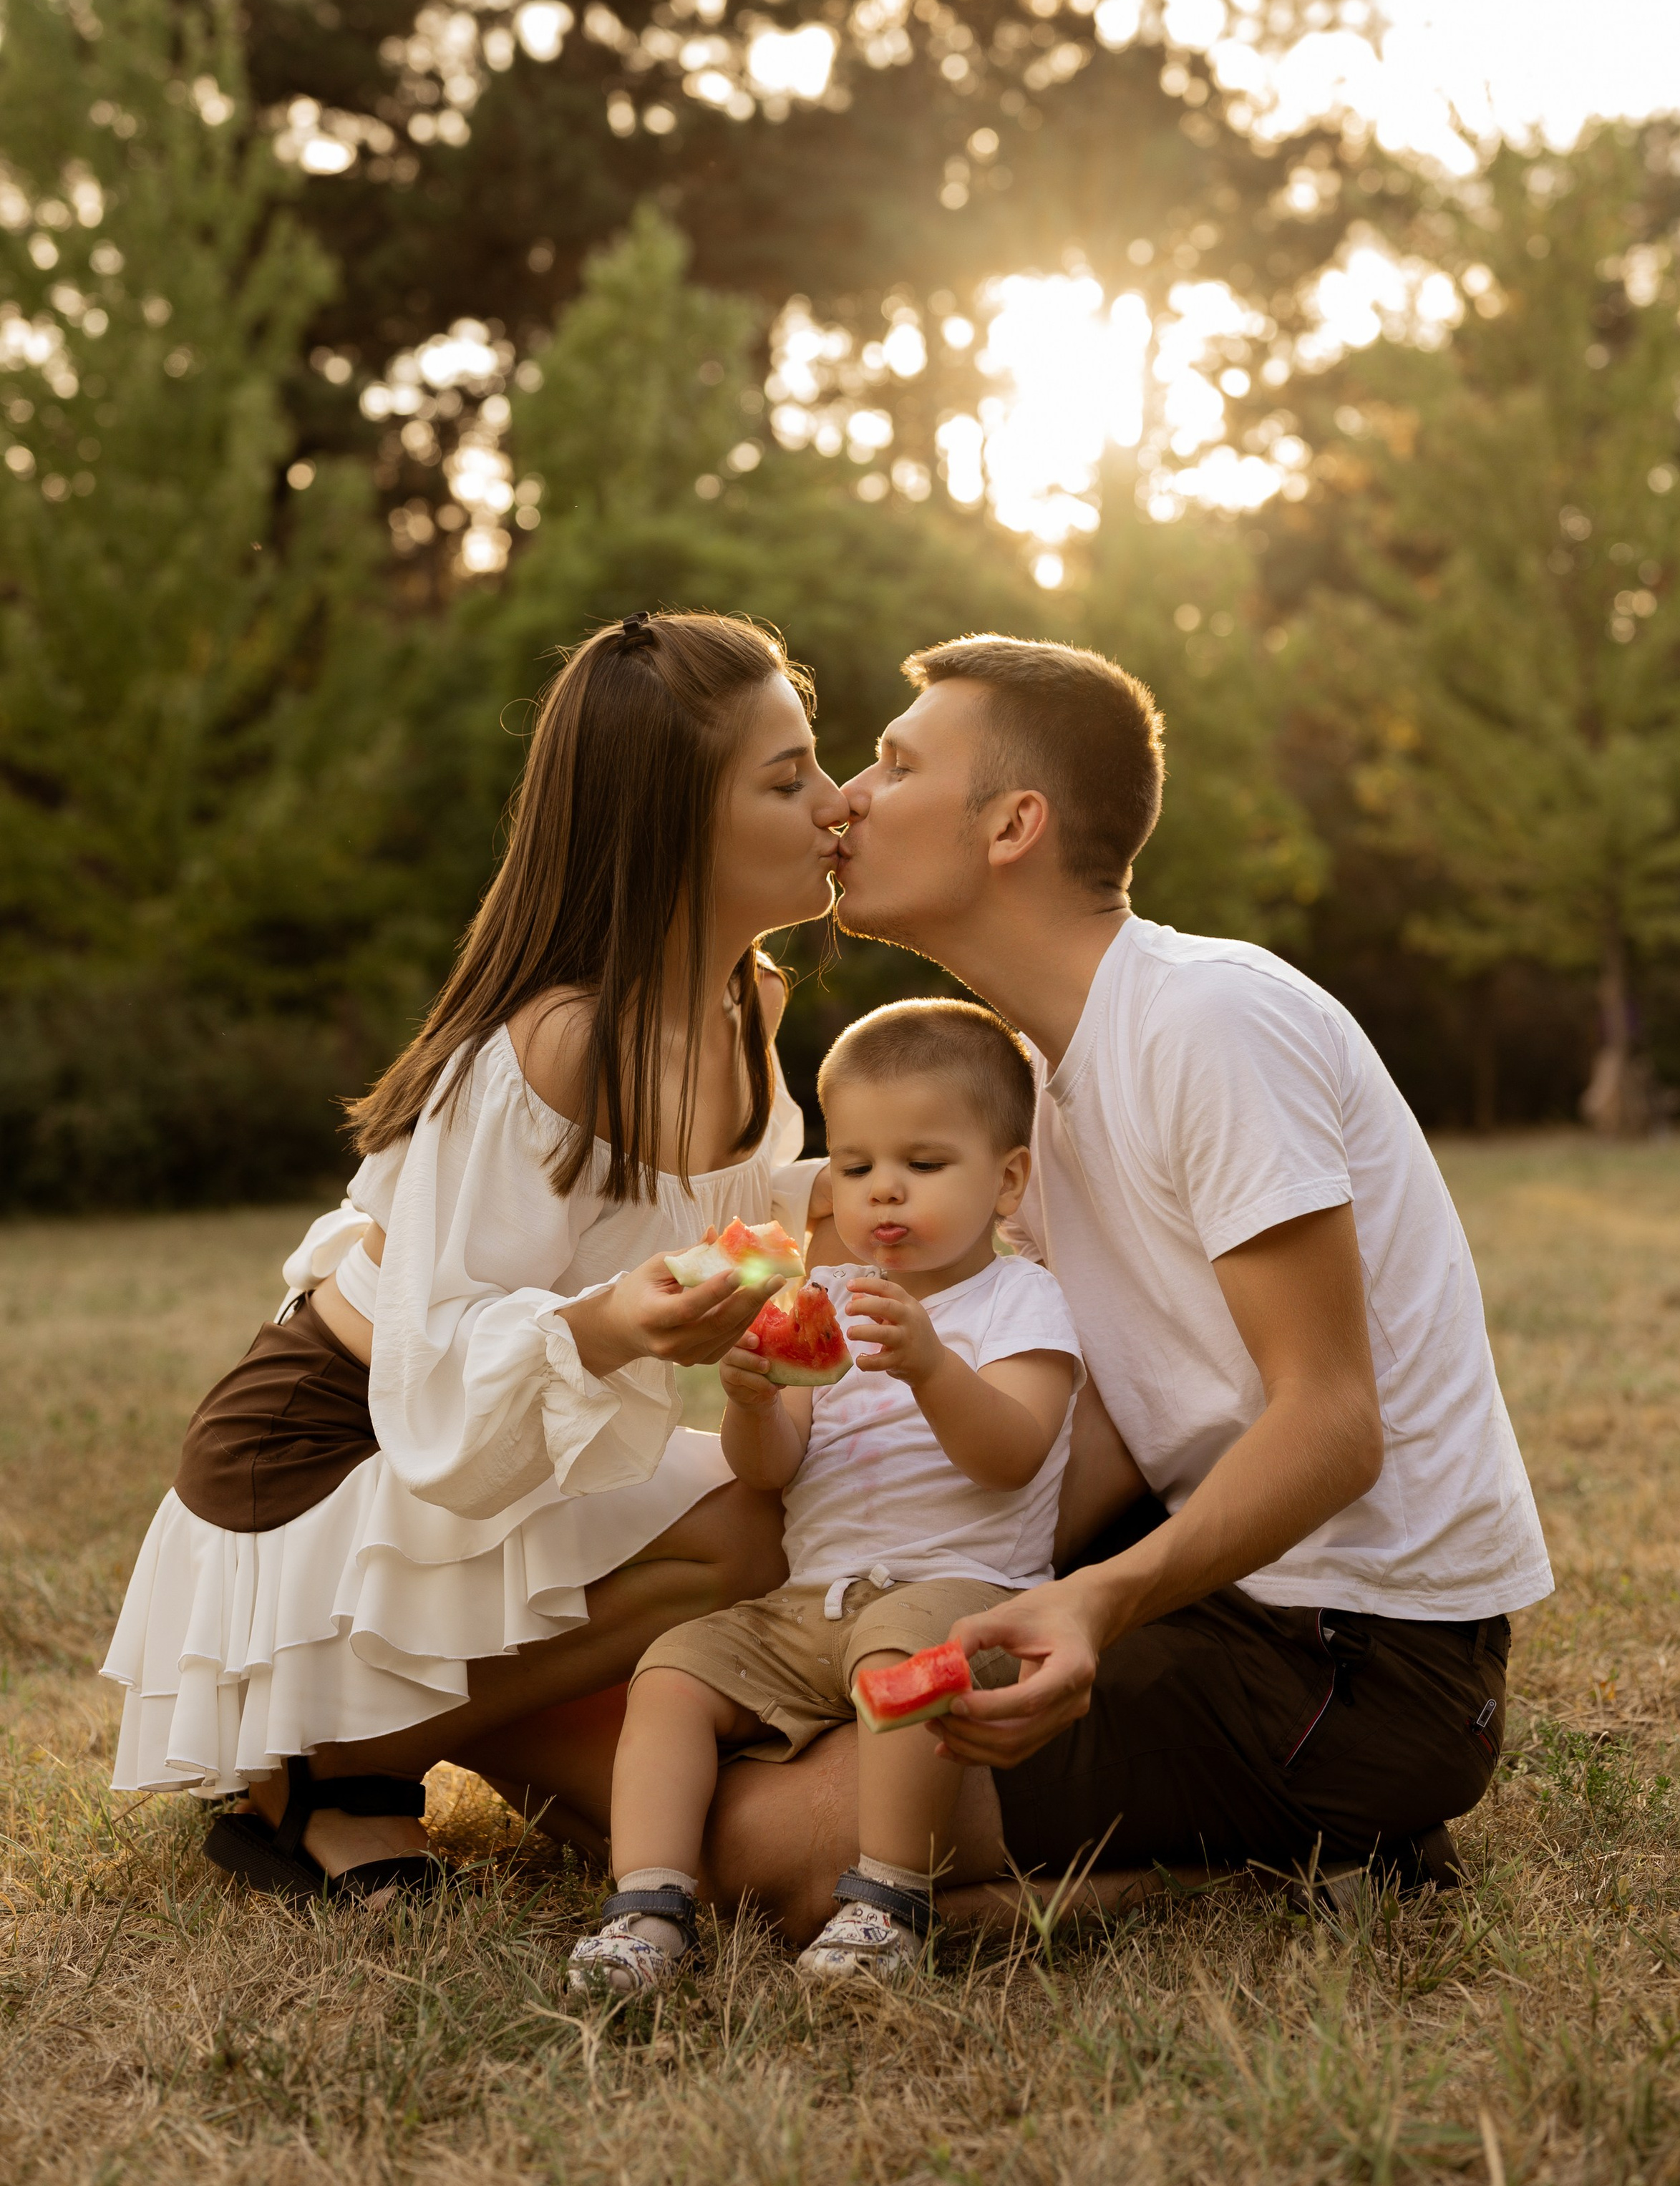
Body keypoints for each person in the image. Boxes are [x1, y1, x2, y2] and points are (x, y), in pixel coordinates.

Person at [695, 633, 1553, 1937]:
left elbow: (1331, 1424)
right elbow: (1095, 1410)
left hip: (1353, 1660)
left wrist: (1092, 1600)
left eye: (897, 761)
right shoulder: (1036, 1090)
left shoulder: (1210, 1020)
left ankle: (1242, 1872)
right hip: (1214, 1592)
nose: (851, 795)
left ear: (1014, 825)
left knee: (766, 1845)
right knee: (758, 1742)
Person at [101, 611, 850, 1903]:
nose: (836, 805)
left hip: (485, 1450)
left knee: (785, 1513)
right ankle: (324, 1766)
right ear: (670, 822)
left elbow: (717, 1205)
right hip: (337, 1448)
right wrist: (612, 1325)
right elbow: (436, 1352)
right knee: (736, 1538)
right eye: (787, 780)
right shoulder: (555, 1042)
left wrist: (893, 1184)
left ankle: (444, 1742)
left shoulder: (749, 1001)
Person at [567, 998, 1080, 1993]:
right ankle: (649, 1908)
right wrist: (753, 1402)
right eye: (854, 1169)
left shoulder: (1022, 1302)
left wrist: (930, 1364)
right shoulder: (823, 1301)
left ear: (1007, 1179)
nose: (884, 1193)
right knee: (671, 1671)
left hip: (961, 1585)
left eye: (924, 1167)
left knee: (911, 1657)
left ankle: (888, 1901)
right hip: (815, 1603)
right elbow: (771, 1470)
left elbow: (1012, 1453)